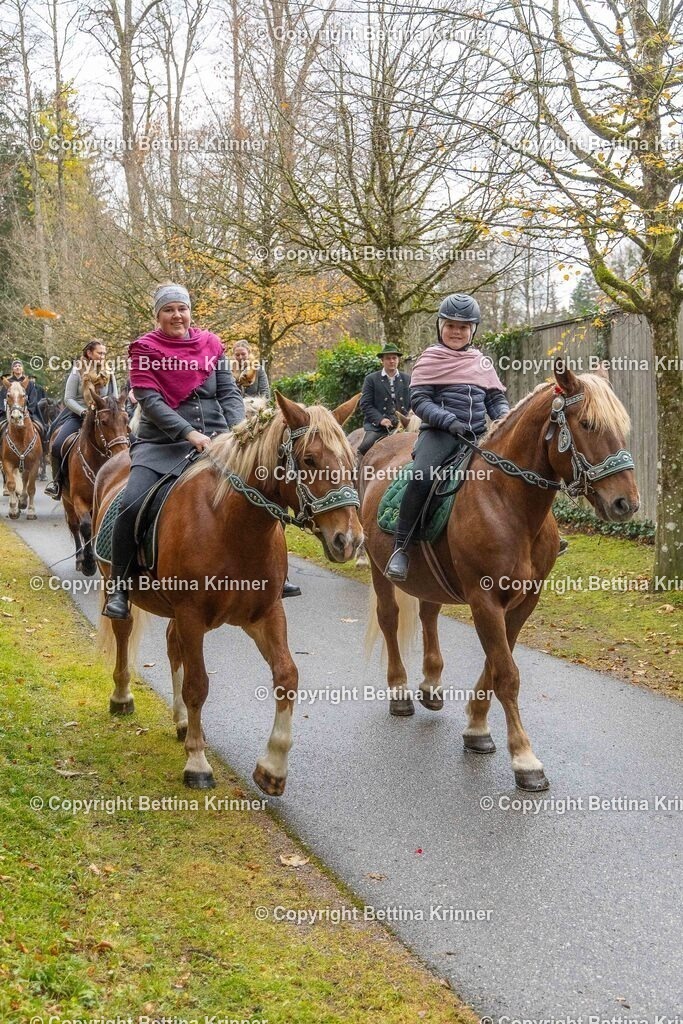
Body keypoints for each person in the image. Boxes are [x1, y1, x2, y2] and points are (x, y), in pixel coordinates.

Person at [103, 283, 245, 619]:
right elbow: (149, 402)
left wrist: (239, 431)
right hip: (160, 444)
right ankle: (119, 587)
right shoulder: (143, 349)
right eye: (169, 310)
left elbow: (229, 394)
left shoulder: (212, 345)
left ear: (190, 311)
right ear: (158, 315)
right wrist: (188, 433)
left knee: (258, 490)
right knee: (132, 501)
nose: (177, 315)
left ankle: (273, 577)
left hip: (217, 440)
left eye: (182, 308)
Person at [384, 293, 510, 582]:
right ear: (440, 326)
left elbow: (494, 397)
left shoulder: (481, 361)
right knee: (421, 477)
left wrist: (503, 416)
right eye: (451, 325)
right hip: (441, 434)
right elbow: (420, 400)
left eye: (463, 327)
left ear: (473, 330)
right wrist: (447, 421)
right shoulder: (430, 358)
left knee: (518, 469)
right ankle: (401, 547)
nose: (457, 331)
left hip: (479, 434)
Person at [45, 340, 118, 498]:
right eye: (99, 353)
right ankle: (57, 483)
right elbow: (68, 399)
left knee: (130, 441)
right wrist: (83, 412)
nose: (102, 356)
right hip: (80, 416)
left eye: (104, 353)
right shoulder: (76, 371)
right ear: (89, 353)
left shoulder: (109, 372)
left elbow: (115, 397)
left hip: (104, 418)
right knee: (57, 445)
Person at [358, 343, 412, 457]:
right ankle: (357, 472)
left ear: (398, 360)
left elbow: (414, 401)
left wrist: (410, 417)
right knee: (364, 447)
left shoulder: (407, 379)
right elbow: (365, 404)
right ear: (382, 360)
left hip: (404, 424)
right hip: (379, 427)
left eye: (394, 358)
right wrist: (381, 420)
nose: (391, 361)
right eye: (388, 358)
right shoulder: (371, 379)